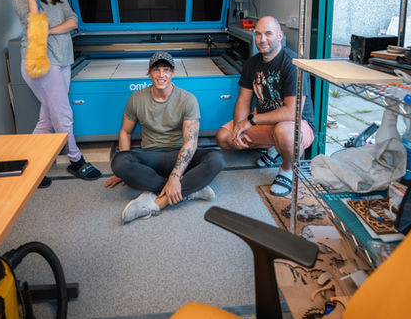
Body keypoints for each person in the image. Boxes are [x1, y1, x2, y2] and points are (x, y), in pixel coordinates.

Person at [12, 0, 101, 184]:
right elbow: (32, 22)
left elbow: (73, 21)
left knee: (48, 118)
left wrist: (49, 31)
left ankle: (30, 166)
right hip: (41, 61)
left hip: (63, 60)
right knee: (62, 113)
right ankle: (76, 160)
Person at [105, 52, 225, 224]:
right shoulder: (136, 98)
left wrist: (175, 177)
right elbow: (125, 132)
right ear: (149, 72)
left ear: (173, 73)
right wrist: (123, 172)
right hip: (151, 156)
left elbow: (191, 142)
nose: (161, 75)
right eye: (156, 70)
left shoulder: (187, 99)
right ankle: (191, 189)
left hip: (179, 154)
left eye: (166, 70)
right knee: (119, 162)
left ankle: (159, 201)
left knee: (217, 159)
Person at [215, 16, 314, 196]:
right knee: (223, 137)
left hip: (295, 125)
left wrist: (251, 120)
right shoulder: (252, 64)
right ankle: (276, 147)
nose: (262, 40)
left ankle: (287, 169)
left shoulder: (292, 64)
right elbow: (243, 100)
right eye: (258, 34)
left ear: (280, 35)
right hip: (266, 122)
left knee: (284, 133)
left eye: (268, 34)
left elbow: (292, 112)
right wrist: (239, 128)